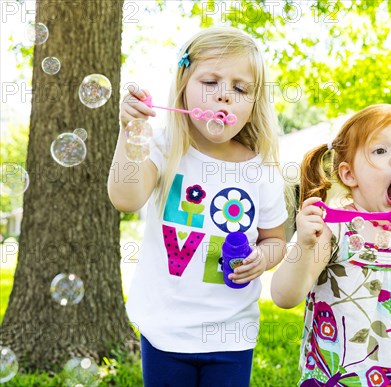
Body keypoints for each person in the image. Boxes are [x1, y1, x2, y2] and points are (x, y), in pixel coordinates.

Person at [108, 27, 288, 387]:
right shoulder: (164, 145)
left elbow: (275, 240)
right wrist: (130, 132)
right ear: (183, 85)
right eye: (210, 82)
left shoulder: (261, 168)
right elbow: (125, 199)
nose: (224, 97)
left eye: (240, 88)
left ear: (254, 104)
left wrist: (264, 258)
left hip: (232, 335)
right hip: (165, 331)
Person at [271, 104, 391, 386]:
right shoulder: (334, 229)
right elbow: (284, 296)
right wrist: (303, 244)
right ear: (349, 175)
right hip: (338, 377)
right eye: (381, 151)